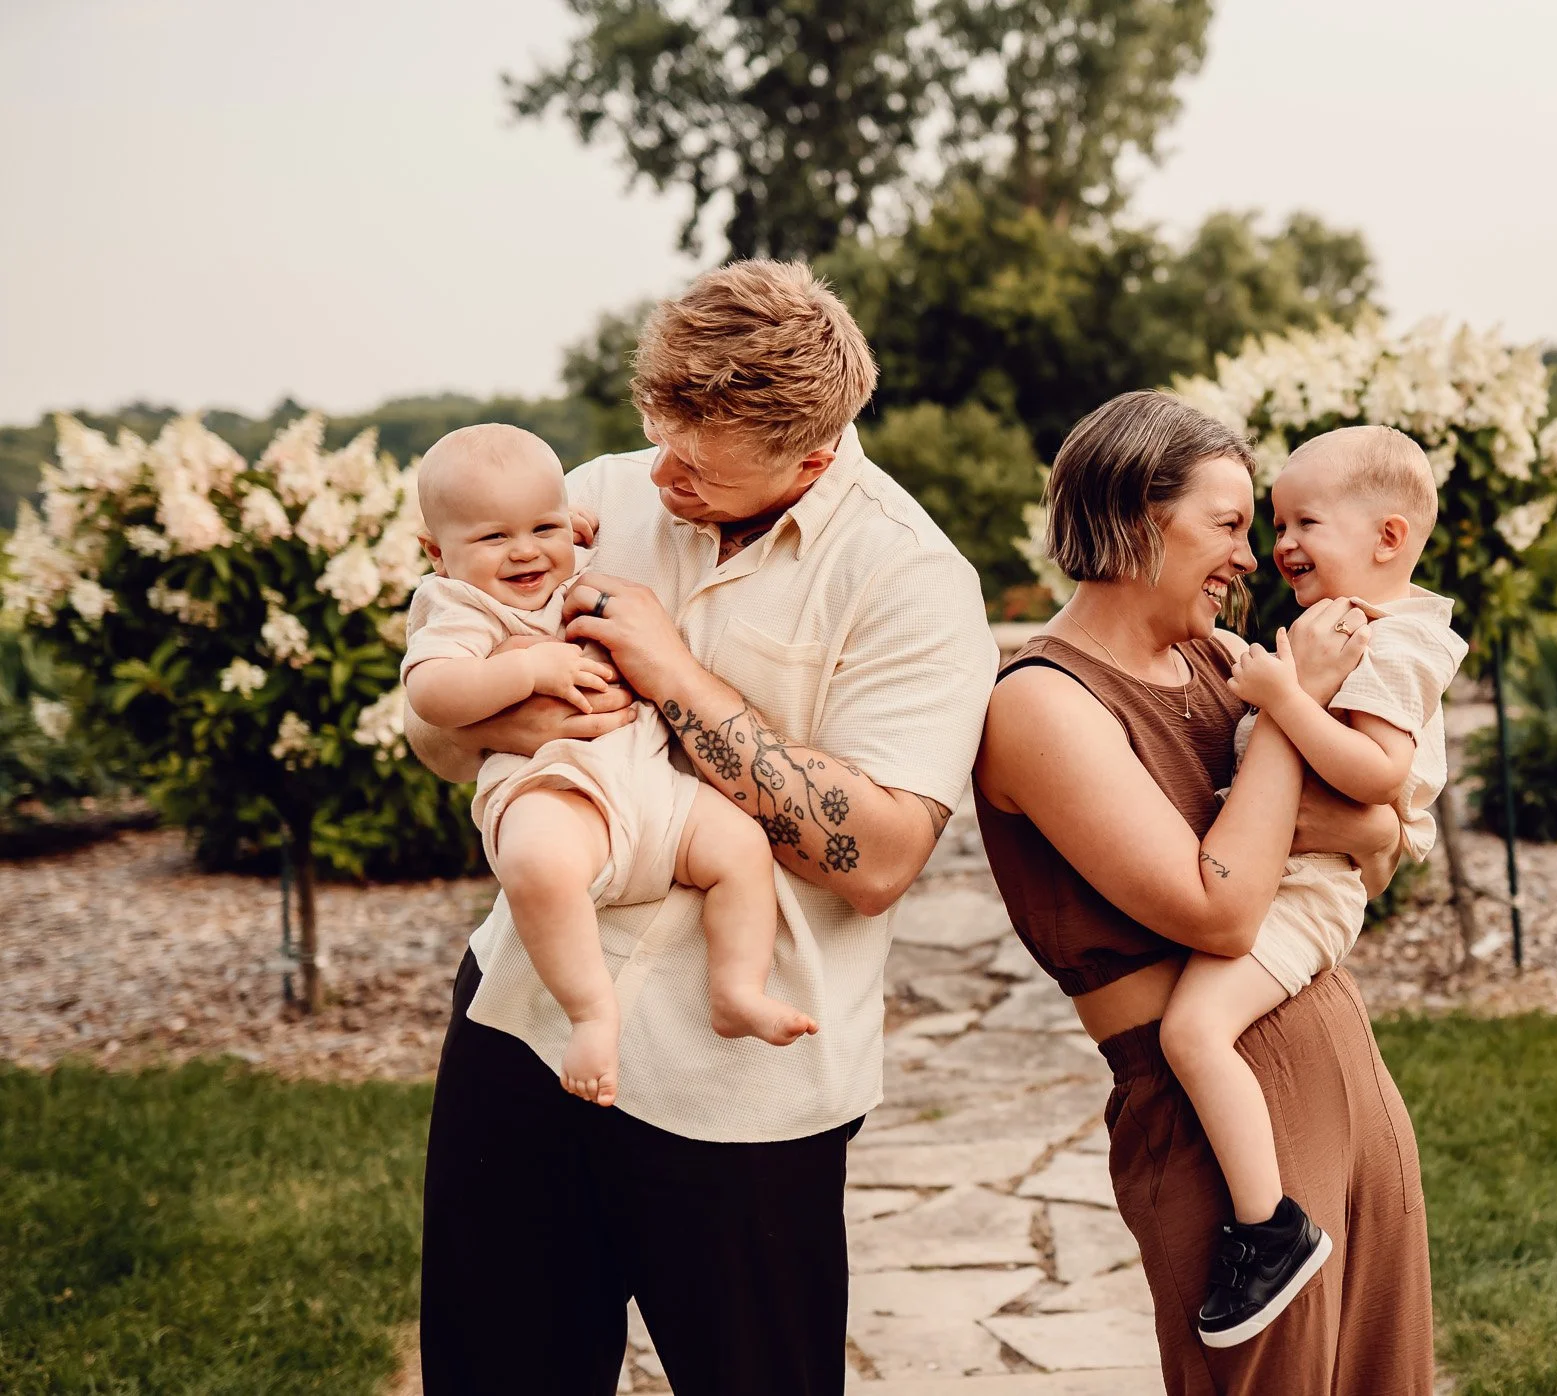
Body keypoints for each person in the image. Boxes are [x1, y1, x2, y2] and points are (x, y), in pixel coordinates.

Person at [405, 261, 996, 1395]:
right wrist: (511, 708)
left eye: (699, 466)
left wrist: (670, 676)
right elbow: (435, 723)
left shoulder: (910, 580)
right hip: (526, 1025)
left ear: (811, 457)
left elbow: (875, 857)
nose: (658, 476)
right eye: (657, 436)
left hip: (743, 1094)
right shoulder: (591, 498)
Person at [974, 390, 1435, 1394]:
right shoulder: (1041, 703)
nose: (1248, 556)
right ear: (1141, 518)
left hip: (1340, 1061)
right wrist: (1285, 718)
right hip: (1204, 1119)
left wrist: (1310, 763)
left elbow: (1383, 831)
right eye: (1227, 524)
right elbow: (1220, 909)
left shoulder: (1219, 662)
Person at [1157, 425, 1468, 1346]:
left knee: (1194, 1028)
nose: (1280, 544)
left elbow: (1376, 776)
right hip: (1293, 870)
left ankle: (1270, 1231)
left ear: (1389, 538)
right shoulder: (1346, 629)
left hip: (1309, 889)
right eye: (1275, 522)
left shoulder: (1397, 646)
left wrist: (1286, 699)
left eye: (1304, 521)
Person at [402, 422, 816, 1108]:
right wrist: (532, 664)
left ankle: (737, 989)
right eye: (492, 538)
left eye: (543, 527)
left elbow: (555, 529)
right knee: (539, 866)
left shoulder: (567, 557)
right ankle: (592, 1013)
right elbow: (431, 692)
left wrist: (564, 529)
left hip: (652, 785)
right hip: (555, 788)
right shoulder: (461, 606)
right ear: (436, 554)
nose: (524, 552)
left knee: (742, 846)